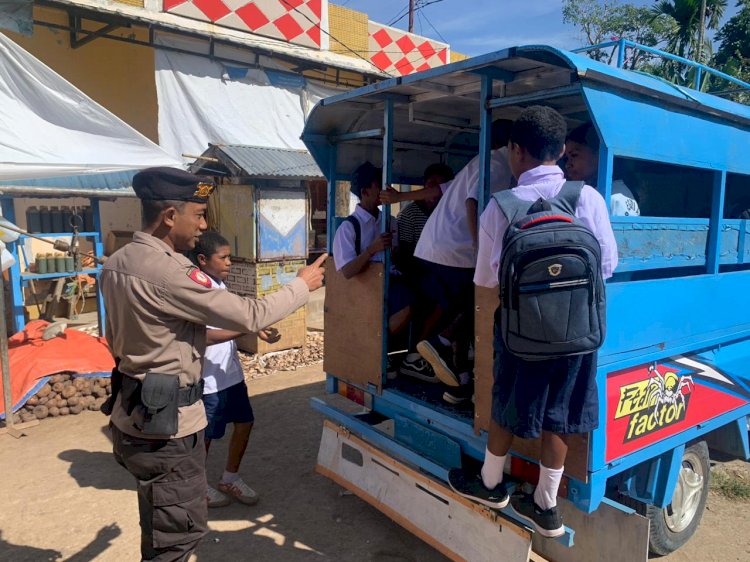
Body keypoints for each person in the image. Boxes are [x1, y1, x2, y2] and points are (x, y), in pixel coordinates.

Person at [101, 167, 325, 561]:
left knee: (158, 523)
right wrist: (300, 285)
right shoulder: (171, 272)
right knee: (177, 539)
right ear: (171, 215)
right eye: (199, 214)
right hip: (168, 428)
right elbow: (249, 314)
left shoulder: (118, 262)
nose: (203, 225)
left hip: (133, 414)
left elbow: (157, 336)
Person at [449, 106, 617, 538]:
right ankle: (545, 505)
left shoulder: (500, 207)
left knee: (506, 400)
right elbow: (608, 265)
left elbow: (486, 277)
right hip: (578, 332)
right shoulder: (589, 199)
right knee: (561, 412)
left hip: (520, 330)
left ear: (514, 151)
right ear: (561, 150)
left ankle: (490, 484)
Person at [381, 120, 514, 403]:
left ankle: (458, 380)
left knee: (462, 309)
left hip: (434, 248)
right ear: (513, 146)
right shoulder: (500, 166)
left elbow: (438, 191)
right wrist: (482, 252)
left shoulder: (479, 162)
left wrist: (401, 196)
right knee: (479, 304)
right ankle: (439, 346)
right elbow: (472, 203)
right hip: (455, 250)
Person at [190, 231, 280, 508]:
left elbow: (238, 317)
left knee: (245, 422)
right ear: (203, 260)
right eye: (224, 258)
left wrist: (257, 329)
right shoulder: (197, 290)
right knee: (205, 436)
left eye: (230, 257)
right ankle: (197, 487)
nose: (230, 263)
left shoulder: (219, 286)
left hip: (230, 374)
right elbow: (204, 337)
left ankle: (229, 477)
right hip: (208, 378)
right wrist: (246, 327)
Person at [332, 162, 412, 370]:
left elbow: (398, 256)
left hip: (392, 280)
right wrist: (371, 250)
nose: (384, 192)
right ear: (365, 191)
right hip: (368, 289)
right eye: (379, 186)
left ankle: (398, 353)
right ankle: (376, 347)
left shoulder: (389, 221)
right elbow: (347, 271)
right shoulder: (348, 228)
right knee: (409, 306)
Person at [394, 163, 454, 381]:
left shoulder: (450, 213)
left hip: (442, 272)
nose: (434, 190)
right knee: (442, 298)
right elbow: (405, 256)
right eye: (430, 185)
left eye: (440, 186)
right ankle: (418, 353)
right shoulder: (410, 214)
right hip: (417, 274)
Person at [564, 122, 640, 217]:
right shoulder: (595, 192)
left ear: (599, 154)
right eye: (566, 158)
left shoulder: (615, 198)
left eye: (574, 155)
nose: (567, 165)